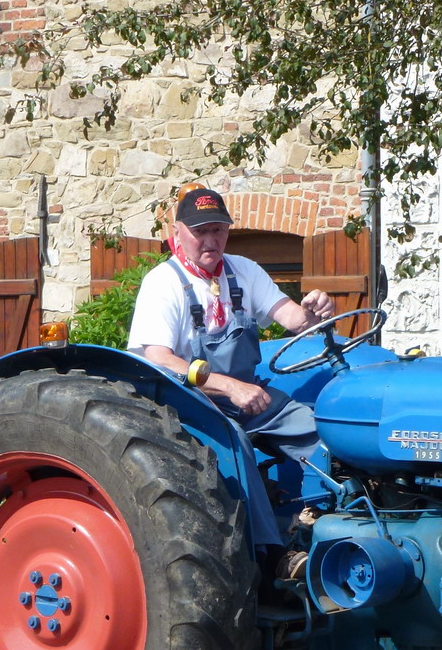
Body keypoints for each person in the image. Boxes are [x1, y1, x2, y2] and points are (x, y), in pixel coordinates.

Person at [127, 186, 336, 576]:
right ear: (178, 232)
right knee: (235, 443)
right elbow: (158, 359)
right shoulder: (163, 284)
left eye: (218, 230)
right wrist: (228, 386)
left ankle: (328, 519)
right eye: (200, 231)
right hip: (188, 403)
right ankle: (272, 556)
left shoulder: (244, 271)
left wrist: (315, 308)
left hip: (246, 396)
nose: (210, 240)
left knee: (318, 429)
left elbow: (292, 318)